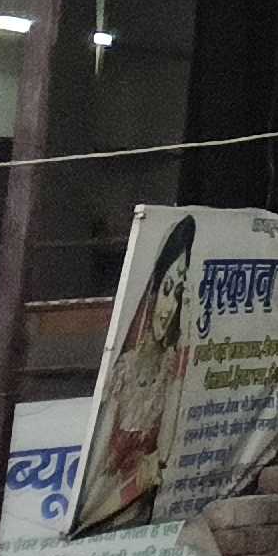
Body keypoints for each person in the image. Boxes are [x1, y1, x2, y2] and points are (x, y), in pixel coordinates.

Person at [74, 215, 198, 535]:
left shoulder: (171, 367)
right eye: (166, 289)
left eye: (179, 293)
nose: (169, 307)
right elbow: (100, 462)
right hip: (103, 510)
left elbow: (166, 452)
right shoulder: (125, 369)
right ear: (153, 293)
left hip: (145, 510)